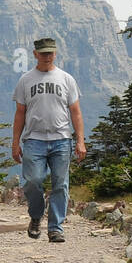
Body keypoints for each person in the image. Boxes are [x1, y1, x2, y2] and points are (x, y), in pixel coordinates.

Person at [11, 38, 86, 242]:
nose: (47, 56)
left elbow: (76, 112)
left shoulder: (66, 79)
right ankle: (36, 216)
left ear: (56, 53)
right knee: (33, 181)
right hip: (34, 139)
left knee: (60, 184)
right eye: (43, 53)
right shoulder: (26, 80)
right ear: (35, 54)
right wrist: (15, 142)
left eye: (50, 53)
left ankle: (56, 228)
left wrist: (80, 140)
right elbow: (20, 113)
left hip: (61, 139)